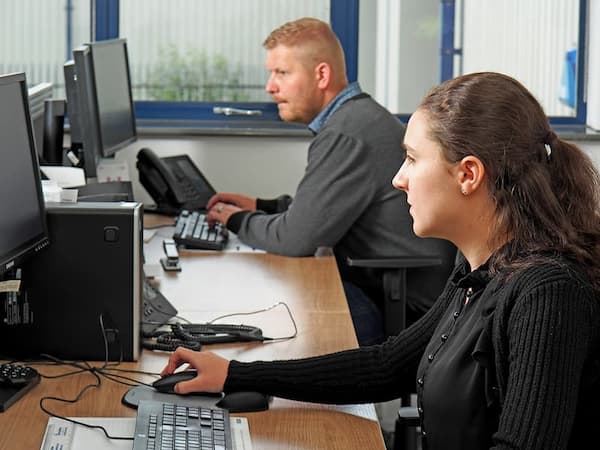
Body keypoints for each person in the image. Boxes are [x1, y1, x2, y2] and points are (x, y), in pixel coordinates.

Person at [162, 72, 600, 449]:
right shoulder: (481, 268)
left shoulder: (547, 293)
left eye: (411, 159)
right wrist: (236, 374)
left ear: (468, 174)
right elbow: (389, 365)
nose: (398, 179)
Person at [205, 17, 454, 345]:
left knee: (282, 303)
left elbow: (295, 240)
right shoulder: (355, 117)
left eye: (282, 73)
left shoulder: (347, 131)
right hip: (387, 285)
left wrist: (236, 220)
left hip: (404, 306)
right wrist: (263, 206)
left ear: (321, 75)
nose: (270, 87)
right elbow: (328, 211)